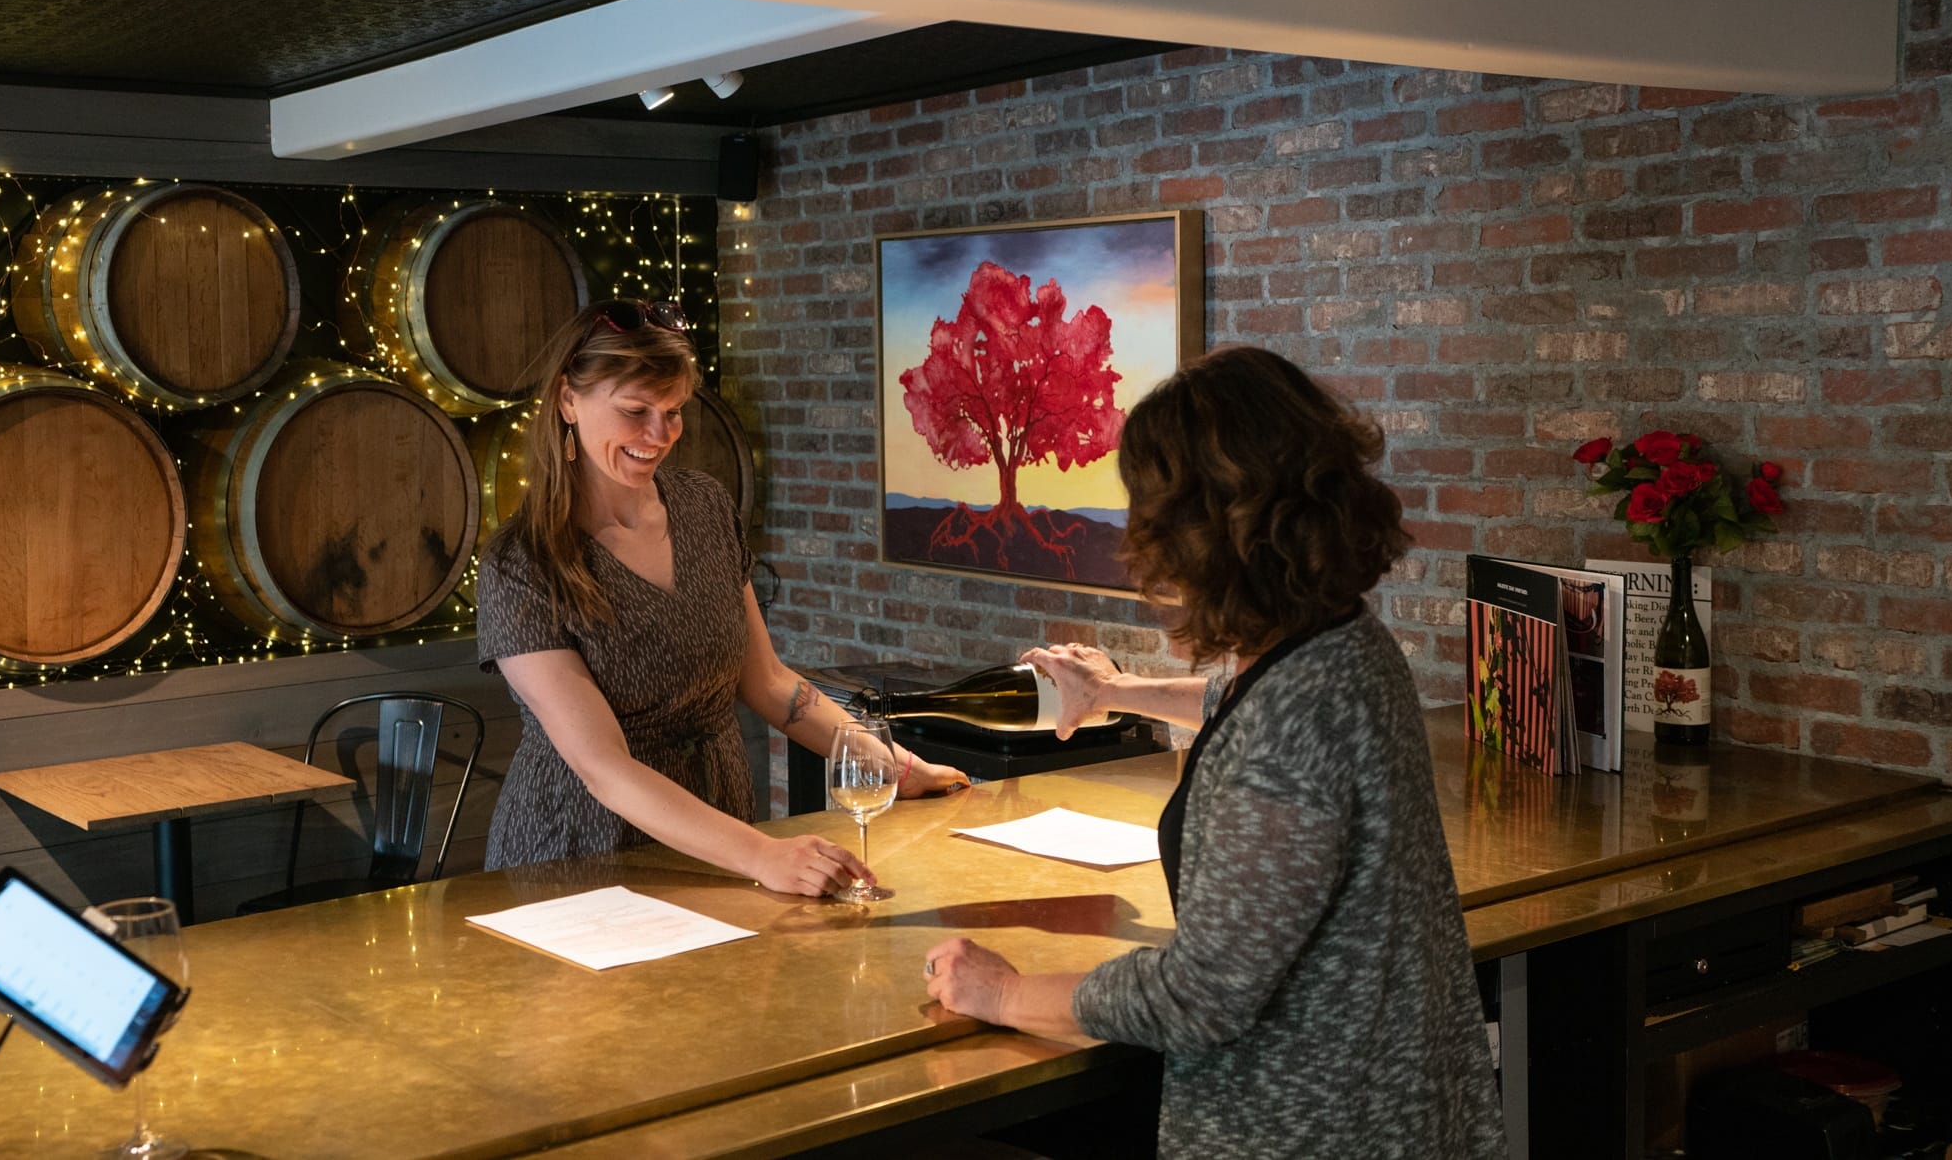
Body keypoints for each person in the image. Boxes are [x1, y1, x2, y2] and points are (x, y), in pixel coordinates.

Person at [923, 345, 1506, 1159]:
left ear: (1201, 531)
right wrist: (1118, 689)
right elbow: (1247, 704)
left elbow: (1203, 996)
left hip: (1309, 1126)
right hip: (1396, 1105)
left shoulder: (1289, 725)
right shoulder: (1346, 643)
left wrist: (1007, 990)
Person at [476, 298, 968, 896]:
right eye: (636, 411)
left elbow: (767, 681)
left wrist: (890, 767)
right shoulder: (521, 563)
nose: (659, 436)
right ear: (567, 400)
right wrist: (763, 856)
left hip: (720, 826)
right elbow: (603, 768)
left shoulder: (704, 507)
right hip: (583, 850)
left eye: (674, 412)